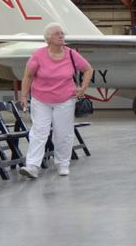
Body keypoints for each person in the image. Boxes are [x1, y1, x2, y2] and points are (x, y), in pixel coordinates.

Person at [17, 22, 92, 179]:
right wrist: (24, 96)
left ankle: (63, 164)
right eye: (57, 34)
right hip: (41, 99)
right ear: (48, 38)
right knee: (39, 131)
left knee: (63, 133)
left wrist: (83, 88)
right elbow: (28, 76)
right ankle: (32, 166)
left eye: (62, 34)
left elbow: (87, 69)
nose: (61, 36)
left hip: (65, 99)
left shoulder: (71, 54)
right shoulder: (38, 55)